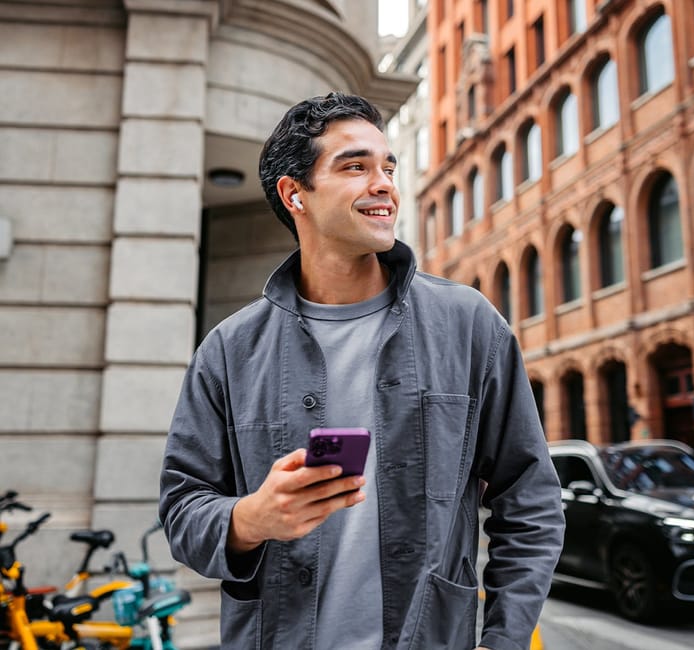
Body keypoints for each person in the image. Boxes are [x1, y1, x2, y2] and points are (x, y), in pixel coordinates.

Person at [159, 92, 564, 650]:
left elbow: (530, 501)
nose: (385, 185)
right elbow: (182, 511)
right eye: (356, 167)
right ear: (294, 194)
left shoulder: (469, 326)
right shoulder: (229, 350)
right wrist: (254, 517)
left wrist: (504, 640)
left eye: (388, 167)